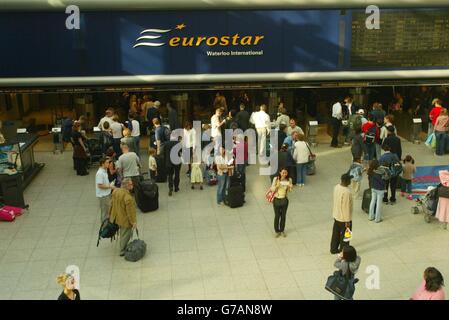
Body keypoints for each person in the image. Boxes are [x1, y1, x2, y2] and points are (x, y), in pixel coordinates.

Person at [109, 178, 137, 257]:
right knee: (125, 234)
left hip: (117, 216)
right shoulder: (128, 198)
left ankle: (122, 245)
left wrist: (111, 215)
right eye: (131, 184)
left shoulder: (116, 191)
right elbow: (130, 212)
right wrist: (133, 222)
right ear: (127, 186)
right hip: (125, 220)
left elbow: (111, 203)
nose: (132, 185)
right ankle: (122, 250)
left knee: (122, 233)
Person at [330, 173, 353, 254]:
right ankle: (344, 251)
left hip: (336, 215)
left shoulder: (336, 187)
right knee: (346, 236)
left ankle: (333, 249)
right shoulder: (347, 192)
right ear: (346, 181)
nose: (350, 181)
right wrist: (347, 221)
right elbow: (346, 207)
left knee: (335, 233)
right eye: (350, 180)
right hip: (344, 219)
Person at [270, 168, 293, 238]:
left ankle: (282, 230)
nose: (284, 174)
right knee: (277, 216)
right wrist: (277, 185)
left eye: (286, 173)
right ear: (280, 172)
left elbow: (289, 191)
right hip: (277, 199)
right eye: (283, 173)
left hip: (284, 200)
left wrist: (290, 187)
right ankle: (277, 231)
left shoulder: (289, 180)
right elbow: (272, 189)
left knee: (283, 216)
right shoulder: (276, 179)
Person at [96, 158, 115, 223]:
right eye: (107, 163)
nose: (108, 164)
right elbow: (100, 185)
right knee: (104, 211)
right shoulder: (100, 173)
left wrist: (109, 184)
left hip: (107, 193)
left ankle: (107, 223)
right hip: (103, 195)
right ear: (102, 164)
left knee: (108, 210)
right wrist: (110, 186)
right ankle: (104, 226)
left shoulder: (105, 171)